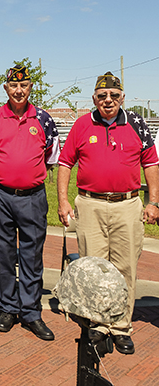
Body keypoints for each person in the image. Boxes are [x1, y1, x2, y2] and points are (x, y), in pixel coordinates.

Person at [57, 71, 159, 354]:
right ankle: (99, 326)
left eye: (114, 95)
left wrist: (153, 202)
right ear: (94, 99)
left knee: (126, 268)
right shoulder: (82, 125)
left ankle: (121, 328)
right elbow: (65, 163)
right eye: (102, 95)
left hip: (128, 205)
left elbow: (151, 163)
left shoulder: (137, 123)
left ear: (122, 97)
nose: (108, 100)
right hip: (90, 205)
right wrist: (63, 201)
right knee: (95, 269)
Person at [0, 63, 60, 341]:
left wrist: (28, 174)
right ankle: (7, 308)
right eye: (13, 85)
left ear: (30, 87)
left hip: (33, 198)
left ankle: (31, 312)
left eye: (23, 85)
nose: (18, 90)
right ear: (6, 88)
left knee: (32, 256)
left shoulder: (43, 119)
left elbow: (51, 157)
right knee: (1, 254)